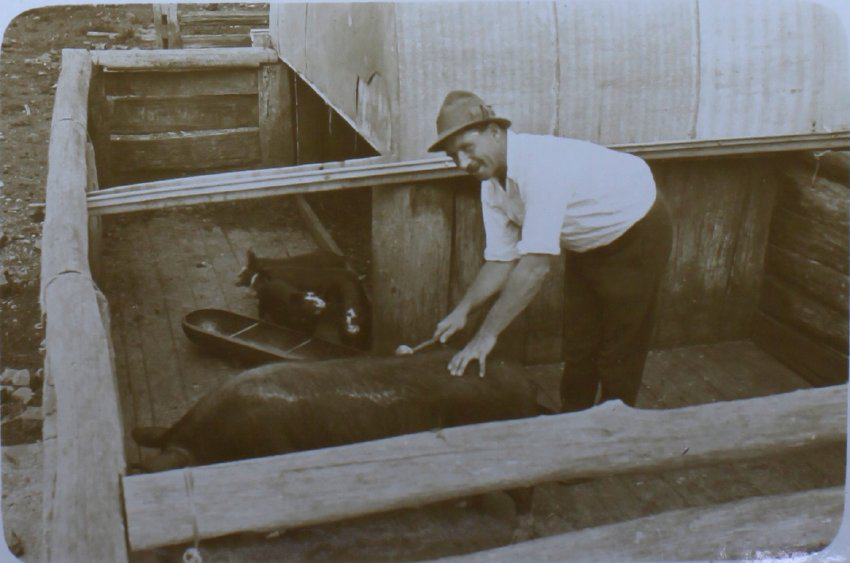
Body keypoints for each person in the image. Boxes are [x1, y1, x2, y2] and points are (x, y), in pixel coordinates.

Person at [428, 90, 672, 411]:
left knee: (618, 351)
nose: (462, 163)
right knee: (579, 346)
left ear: (494, 132)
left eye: (466, 148)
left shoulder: (541, 167)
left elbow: (533, 270)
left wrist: (485, 337)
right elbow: (501, 261)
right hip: (586, 241)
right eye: (452, 156)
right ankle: (570, 426)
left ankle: (613, 436)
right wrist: (463, 310)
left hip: (635, 228)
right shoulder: (491, 185)